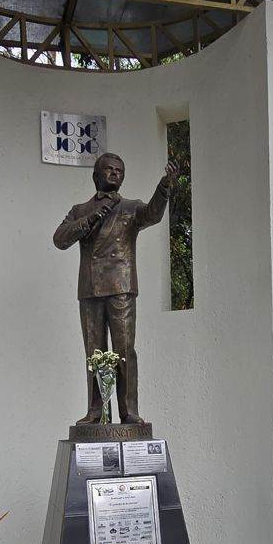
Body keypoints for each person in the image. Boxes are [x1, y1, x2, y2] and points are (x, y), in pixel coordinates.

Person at [52, 152, 181, 427]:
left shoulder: (131, 207)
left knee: (124, 350)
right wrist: (89, 220)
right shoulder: (80, 210)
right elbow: (60, 239)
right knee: (94, 354)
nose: (115, 174)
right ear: (96, 175)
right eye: (109, 169)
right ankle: (95, 412)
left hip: (121, 286)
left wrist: (165, 186)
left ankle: (129, 411)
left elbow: (153, 214)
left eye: (119, 170)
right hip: (89, 289)